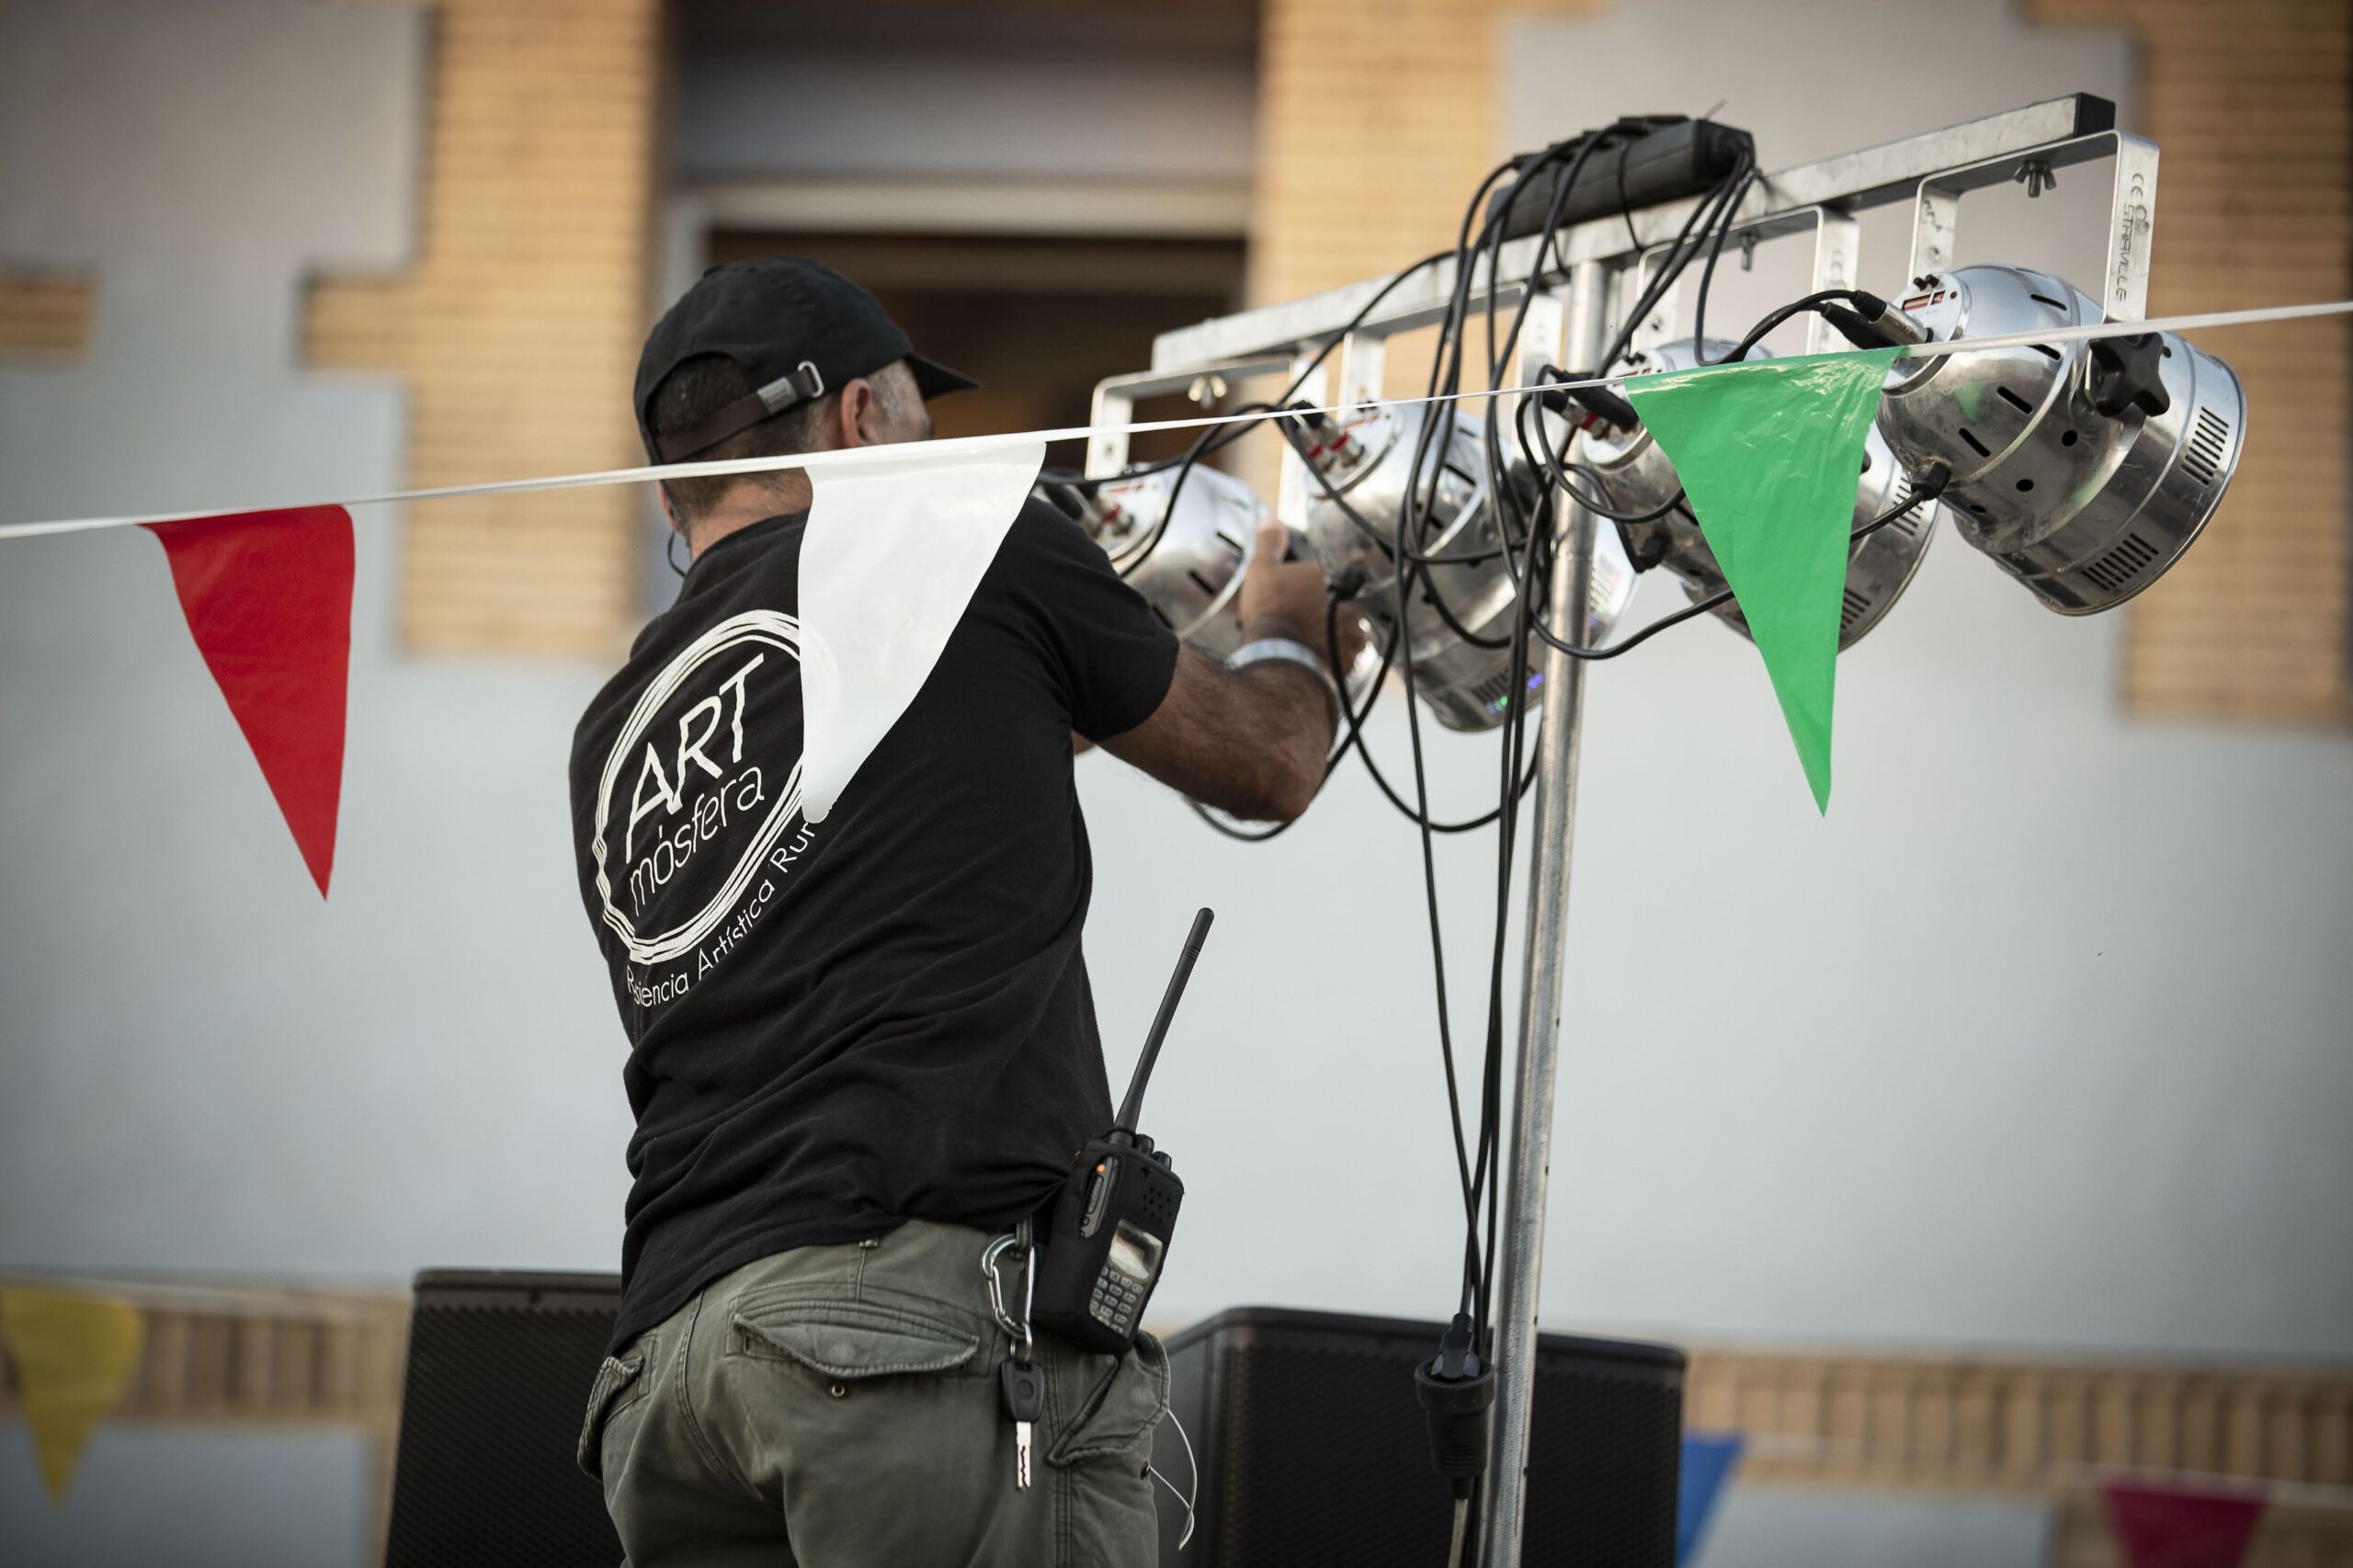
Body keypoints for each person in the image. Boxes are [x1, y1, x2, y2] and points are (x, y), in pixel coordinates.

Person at [566, 256, 1365, 1567]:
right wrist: (1287, 631)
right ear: (861, 419)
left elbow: (929, 772)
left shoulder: (619, 729)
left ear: (673, 484)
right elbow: (1268, 761)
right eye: (917, 418)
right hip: (906, 1335)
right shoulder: (962, 545)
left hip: (674, 1369)